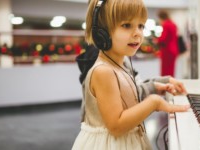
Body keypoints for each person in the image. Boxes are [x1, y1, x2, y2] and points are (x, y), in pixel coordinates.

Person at [72, 0, 189, 149]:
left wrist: (157, 87)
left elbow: (128, 96)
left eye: (141, 25)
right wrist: (154, 102)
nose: (137, 33)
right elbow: (116, 125)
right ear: (102, 32)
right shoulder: (103, 71)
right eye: (127, 25)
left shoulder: (120, 65)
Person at [154, 10, 179, 77]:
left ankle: (166, 86)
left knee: (165, 72)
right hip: (174, 50)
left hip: (167, 51)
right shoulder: (173, 24)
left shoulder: (166, 24)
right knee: (171, 70)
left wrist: (157, 40)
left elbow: (163, 38)